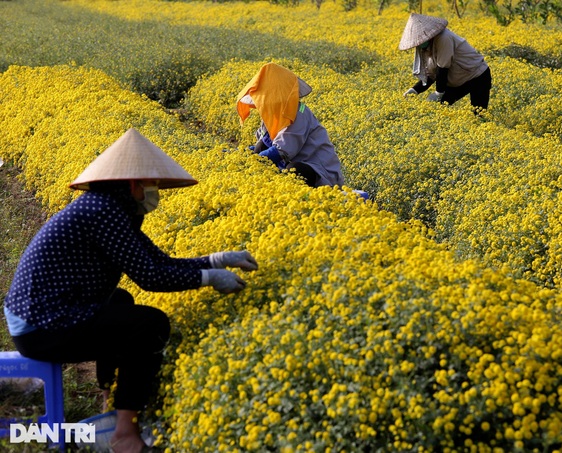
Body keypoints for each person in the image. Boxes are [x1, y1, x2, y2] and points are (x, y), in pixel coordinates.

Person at [3, 128, 259, 453]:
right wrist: (210, 279)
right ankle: (124, 434)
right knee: (149, 324)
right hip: (40, 328)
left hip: (38, 317)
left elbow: (157, 261)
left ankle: (109, 400)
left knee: (121, 302)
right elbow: (151, 277)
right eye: (151, 184)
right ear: (134, 184)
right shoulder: (103, 212)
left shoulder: (108, 207)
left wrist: (217, 260)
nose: (155, 192)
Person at [236, 63, 345, 188]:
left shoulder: (299, 113)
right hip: (292, 165)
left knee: (294, 170)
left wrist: (252, 163)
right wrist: (240, 155)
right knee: (260, 148)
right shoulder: (271, 117)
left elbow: (282, 151)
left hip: (319, 173)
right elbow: (262, 146)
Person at [399, 13, 492, 112]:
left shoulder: (444, 38)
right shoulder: (426, 47)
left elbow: (442, 69)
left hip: (477, 76)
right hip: (458, 79)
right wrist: (415, 90)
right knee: (435, 109)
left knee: (478, 114)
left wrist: (438, 93)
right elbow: (432, 75)